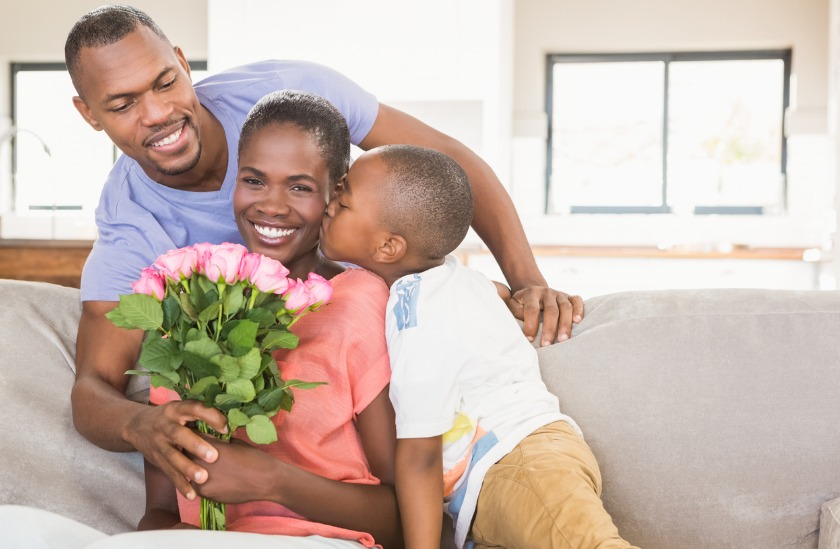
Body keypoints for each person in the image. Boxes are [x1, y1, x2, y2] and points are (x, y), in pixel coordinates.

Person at [65, 4, 583, 502]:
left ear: (181, 60)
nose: (158, 113)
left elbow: (448, 165)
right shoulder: (130, 224)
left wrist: (526, 279)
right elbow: (93, 387)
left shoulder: (287, 92)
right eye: (122, 104)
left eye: (165, 81)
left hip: (388, 319)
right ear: (87, 115)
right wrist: (138, 424)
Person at [319, 145, 637, 549]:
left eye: (343, 202)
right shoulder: (458, 279)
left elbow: (420, 453)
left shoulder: (415, 309)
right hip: (515, 472)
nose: (328, 205)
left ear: (388, 247)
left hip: (518, 465)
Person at [141, 90, 400, 547]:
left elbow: (405, 515)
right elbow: (158, 513)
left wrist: (274, 481)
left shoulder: (359, 301)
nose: (272, 206)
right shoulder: (190, 301)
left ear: (334, 193)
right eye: (255, 181)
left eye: (300, 187)